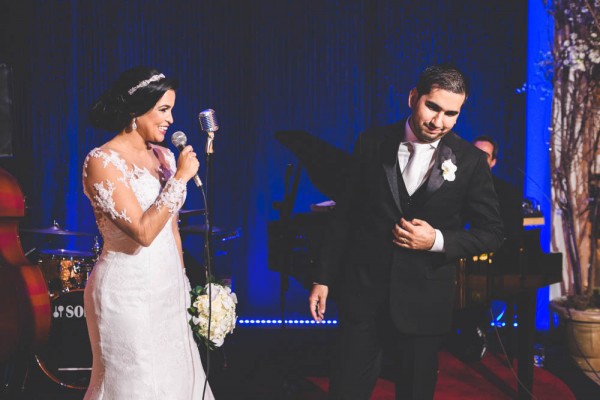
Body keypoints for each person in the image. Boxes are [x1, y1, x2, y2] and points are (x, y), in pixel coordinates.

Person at [308, 64, 504, 399]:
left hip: (424, 303)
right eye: (432, 107)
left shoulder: (470, 161)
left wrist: (437, 241)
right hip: (363, 294)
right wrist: (323, 277)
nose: (438, 122)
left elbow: (493, 232)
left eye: (451, 114)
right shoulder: (372, 142)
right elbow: (345, 216)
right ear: (413, 97)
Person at [82, 66, 215, 399]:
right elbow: (142, 231)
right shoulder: (102, 161)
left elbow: (172, 229)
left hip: (167, 293)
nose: (171, 119)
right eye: (163, 109)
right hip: (127, 295)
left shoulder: (166, 157)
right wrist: (180, 180)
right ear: (134, 110)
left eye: (172, 109)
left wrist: (183, 285)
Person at [472, 135, 523, 243]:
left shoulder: (507, 192)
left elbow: (510, 234)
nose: (478, 159)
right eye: (475, 153)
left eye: (484, 156)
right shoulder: (455, 184)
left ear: (493, 162)